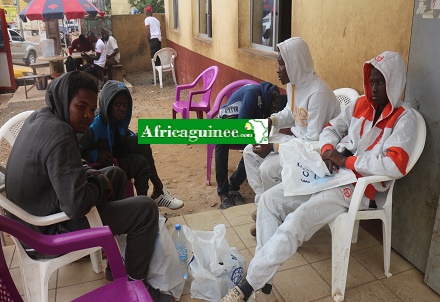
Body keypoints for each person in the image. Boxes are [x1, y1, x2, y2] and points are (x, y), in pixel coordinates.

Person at [220, 51, 417, 302]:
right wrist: (328, 151)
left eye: (382, 82)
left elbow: (394, 164)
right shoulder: (360, 105)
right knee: (269, 200)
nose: (375, 88)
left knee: (297, 221)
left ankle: (248, 286)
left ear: (395, 82)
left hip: (358, 188)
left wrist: (346, 160)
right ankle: (264, 278)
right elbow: (331, 128)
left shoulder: (404, 119)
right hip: (330, 173)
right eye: (372, 81)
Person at [5, 71, 163, 299]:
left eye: (92, 109)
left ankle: (115, 265)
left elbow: (68, 164)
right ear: (64, 99)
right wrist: (98, 183)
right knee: (146, 210)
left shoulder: (42, 117)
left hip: (38, 215)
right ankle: (133, 285)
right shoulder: (59, 135)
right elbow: (76, 204)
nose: (88, 115)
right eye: (81, 107)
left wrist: (94, 174)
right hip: (45, 234)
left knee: (115, 174)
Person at [243, 37, 340, 205]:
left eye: (282, 65)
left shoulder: (318, 94)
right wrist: (271, 121)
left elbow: (313, 141)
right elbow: (290, 111)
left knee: (267, 169)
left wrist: (273, 147)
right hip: (296, 142)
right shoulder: (294, 84)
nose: (278, 70)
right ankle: (262, 204)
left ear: (295, 64)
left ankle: (276, 209)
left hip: (313, 150)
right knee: (249, 151)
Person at [79, 80, 184, 210]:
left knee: (143, 142)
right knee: (141, 163)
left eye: (125, 105)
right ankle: (157, 193)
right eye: (118, 104)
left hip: (115, 152)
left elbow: (120, 141)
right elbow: (75, 154)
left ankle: (145, 204)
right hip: (100, 165)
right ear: (108, 104)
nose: (123, 108)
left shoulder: (116, 121)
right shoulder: (93, 125)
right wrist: (95, 154)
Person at [215, 82, 287, 209]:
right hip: (228, 121)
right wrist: (255, 144)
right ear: (273, 104)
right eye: (273, 110)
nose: (273, 113)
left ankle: (233, 187)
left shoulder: (269, 101)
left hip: (247, 124)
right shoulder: (253, 93)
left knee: (256, 150)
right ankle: (223, 193)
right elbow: (243, 124)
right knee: (226, 144)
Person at [144, 5, 162, 82]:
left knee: (153, 58)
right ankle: (158, 76)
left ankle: (156, 77)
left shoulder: (147, 19)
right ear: (151, 12)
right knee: (158, 57)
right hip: (158, 39)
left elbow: (148, 31)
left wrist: (149, 40)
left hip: (153, 39)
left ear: (146, 12)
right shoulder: (157, 20)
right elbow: (160, 30)